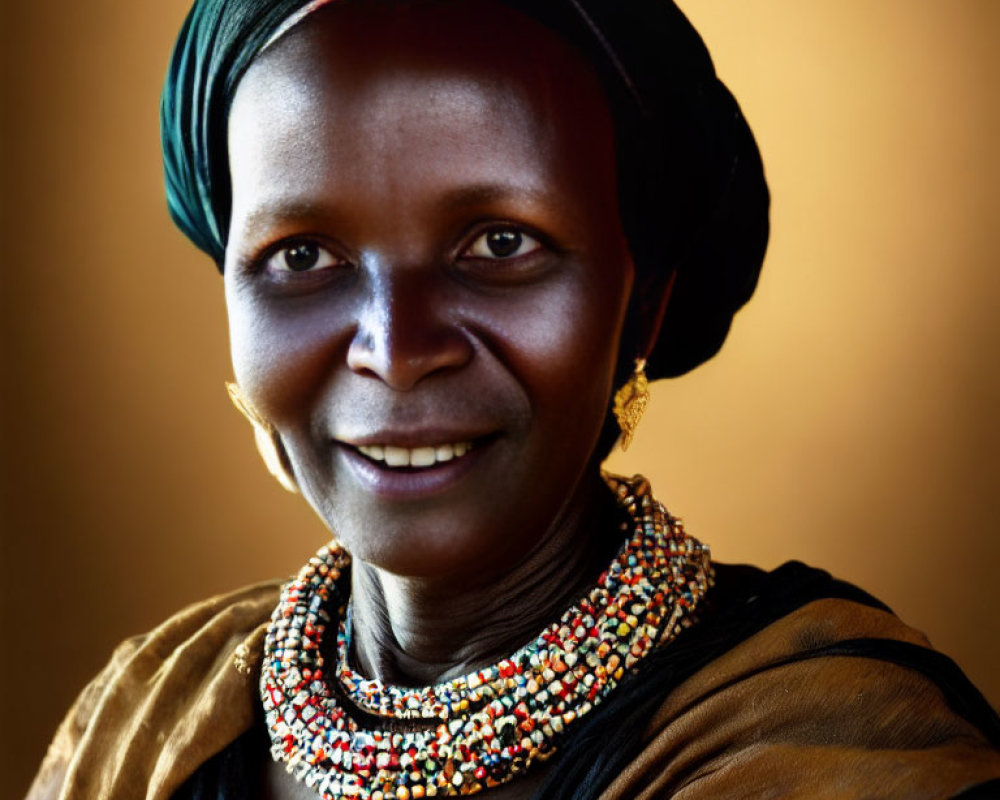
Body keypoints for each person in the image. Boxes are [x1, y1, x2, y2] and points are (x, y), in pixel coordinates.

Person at [28, 1, 1000, 798]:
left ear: (643, 305)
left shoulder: (820, 745)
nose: (397, 352)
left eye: (498, 245)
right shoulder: (149, 720)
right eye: (301, 256)